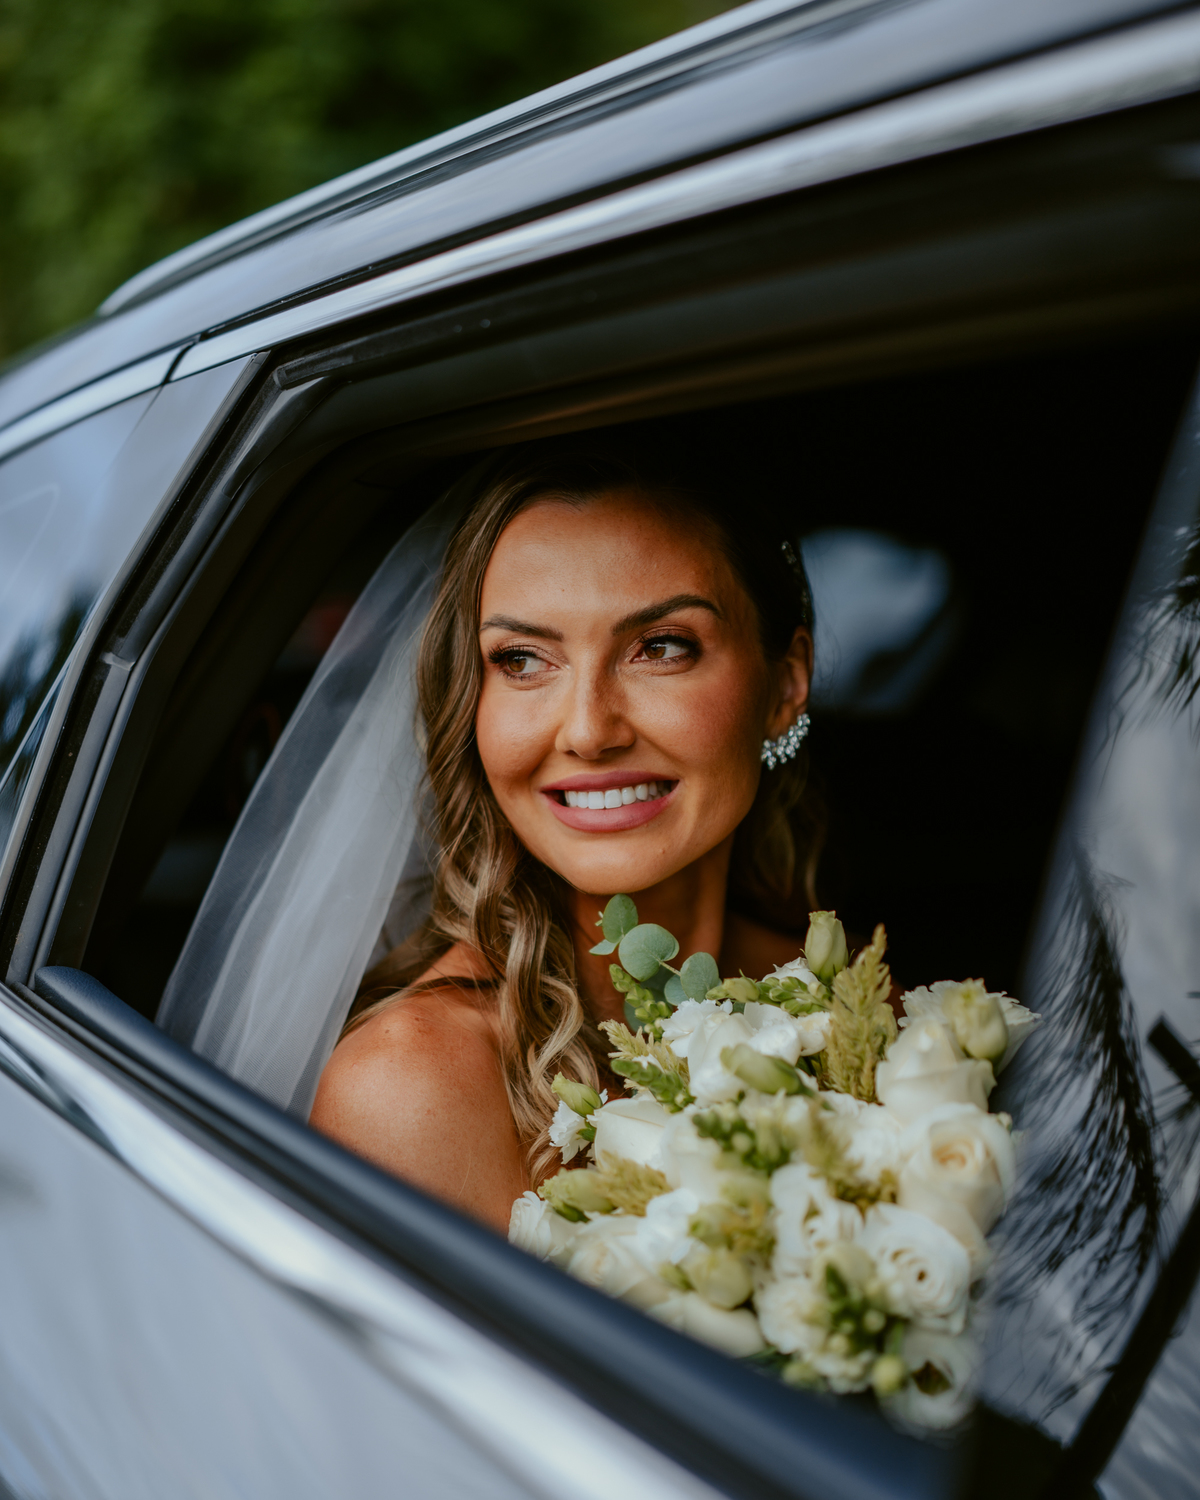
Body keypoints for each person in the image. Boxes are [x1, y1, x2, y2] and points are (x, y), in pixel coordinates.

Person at [310, 440, 820, 1232]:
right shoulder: (412, 1088)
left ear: (785, 685)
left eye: (659, 648)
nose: (588, 730)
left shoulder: (853, 1008)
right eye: (523, 659)